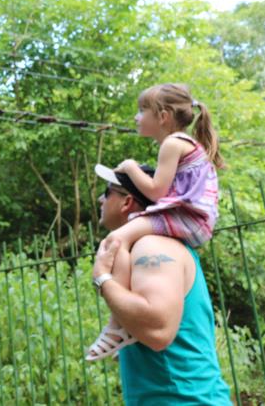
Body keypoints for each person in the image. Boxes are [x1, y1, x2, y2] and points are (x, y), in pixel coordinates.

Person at [87, 83, 223, 361]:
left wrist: (130, 167)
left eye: (141, 111)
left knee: (115, 240)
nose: (136, 117)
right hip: (190, 218)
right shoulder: (182, 144)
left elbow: (156, 191)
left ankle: (117, 326)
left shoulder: (173, 143)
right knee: (121, 239)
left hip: (186, 216)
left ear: (162, 116)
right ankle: (119, 326)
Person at [92, 162, 231, 404]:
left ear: (127, 202)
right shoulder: (143, 249)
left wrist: (103, 278)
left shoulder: (153, 246)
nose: (100, 200)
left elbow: (158, 331)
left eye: (107, 192)